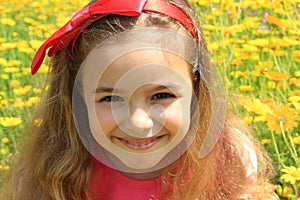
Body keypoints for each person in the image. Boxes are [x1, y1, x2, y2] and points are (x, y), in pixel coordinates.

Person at [2, 0, 278, 199]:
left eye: (161, 95)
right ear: (75, 99)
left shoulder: (229, 158)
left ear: (196, 90)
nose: (138, 122)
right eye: (110, 98)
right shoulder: (55, 174)